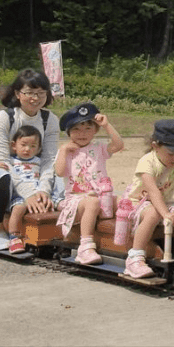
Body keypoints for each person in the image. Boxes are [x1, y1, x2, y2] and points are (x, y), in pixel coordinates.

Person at [120, 119, 174, 279]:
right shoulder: (147, 162)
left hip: (164, 203)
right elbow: (153, 191)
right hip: (140, 202)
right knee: (153, 214)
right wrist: (166, 214)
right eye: (171, 153)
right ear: (156, 146)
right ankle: (135, 258)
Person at [55, 102, 124, 265]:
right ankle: (85, 247)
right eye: (76, 129)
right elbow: (59, 172)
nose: (82, 133)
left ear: (95, 130)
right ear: (69, 132)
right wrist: (64, 151)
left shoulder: (98, 147)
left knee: (123, 201)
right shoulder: (66, 150)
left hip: (102, 197)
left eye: (87, 128)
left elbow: (119, 145)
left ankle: (131, 238)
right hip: (77, 201)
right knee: (92, 203)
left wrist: (107, 125)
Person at [0, 69, 61, 241]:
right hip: (11, 174)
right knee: (0, 173)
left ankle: (66, 226)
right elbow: (3, 160)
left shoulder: (50, 120)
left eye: (41, 93)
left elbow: (49, 160)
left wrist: (43, 191)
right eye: (30, 93)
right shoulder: (4, 118)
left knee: (64, 173)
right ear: (18, 94)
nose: (36, 98)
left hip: (36, 174)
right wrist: (29, 194)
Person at [6, 126, 43, 253]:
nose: (28, 149)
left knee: (47, 205)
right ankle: (14, 236)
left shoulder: (40, 162)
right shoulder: (10, 161)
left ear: (39, 149)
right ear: (14, 145)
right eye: (23, 145)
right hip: (19, 195)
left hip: (37, 193)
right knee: (19, 208)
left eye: (33, 146)